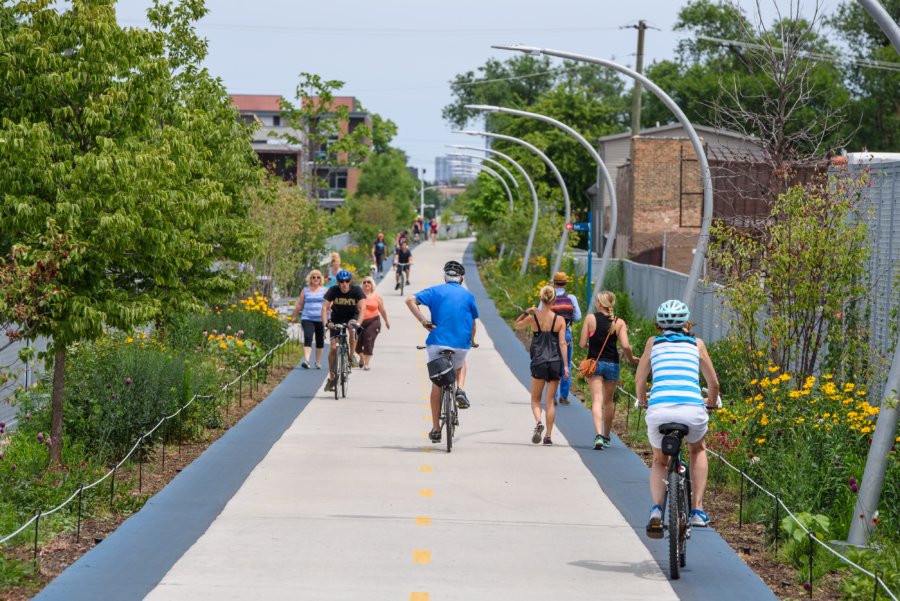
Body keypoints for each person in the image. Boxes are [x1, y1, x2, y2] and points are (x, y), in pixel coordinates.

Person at [635, 300, 719, 533]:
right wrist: (710, 404)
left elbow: (639, 381)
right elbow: (713, 383)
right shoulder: (697, 344)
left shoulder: (652, 343)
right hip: (692, 409)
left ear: (659, 325)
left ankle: (656, 510)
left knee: (660, 460)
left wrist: (643, 402)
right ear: (686, 322)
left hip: (659, 409)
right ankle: (697, 511)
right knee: (698, 449)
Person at [405, 260, 478, 444]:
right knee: (460, 365)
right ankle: (460, 390)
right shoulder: (469, 295)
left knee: (437, 383)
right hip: (461, 343)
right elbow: (473, 323)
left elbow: (410, 300)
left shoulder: (434, 291)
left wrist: (424, 322)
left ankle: (436, 429)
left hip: (437, 342)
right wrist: (472, 340)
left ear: (445, 277)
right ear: (461, 278)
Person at [579, 291, 637, 450]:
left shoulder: (590, 318)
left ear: (599, 302)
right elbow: (625, 346)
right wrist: (631, 359)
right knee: (609, 402)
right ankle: (606, 437)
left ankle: (597, 435)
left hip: (595, 363)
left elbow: (583, 343)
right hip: (612, 363)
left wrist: (592, 346)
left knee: (596, 400)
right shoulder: (619, 322)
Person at [516, 286, 568, 446]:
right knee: (550, 401)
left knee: (535, 399)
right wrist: (566, 366)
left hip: (539, 361)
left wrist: (526, 312)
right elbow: (563, 343)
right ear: (553, 300)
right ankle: (549, 436)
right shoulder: (560, 320)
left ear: (540, 299)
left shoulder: (534, 318)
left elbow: (517, 325)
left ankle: (539, 422)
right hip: (554, 362)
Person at [536, 272, 581, 404]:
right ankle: (564, 396)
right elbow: (577, 317)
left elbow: (540, 313)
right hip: (566, 333)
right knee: (566, 364)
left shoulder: (549, 296)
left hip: (550, 333)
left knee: (552, 363)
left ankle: (552, 397)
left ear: (554, 283)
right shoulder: (571, 298)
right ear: (565, 283)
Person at [321, 270, 367, 393]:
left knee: (352, 329)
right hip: (337, 317)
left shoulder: (356, 290)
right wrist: (326, 323)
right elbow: (324, 308)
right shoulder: (333, 290)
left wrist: (358, 324)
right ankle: (331, 378)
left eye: (347, 281)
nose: (344, 284)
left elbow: (363, 308)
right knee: (333, 349)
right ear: (338, 282)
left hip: (352, 316)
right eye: (341, 281)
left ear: (350, 281)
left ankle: (351, 355)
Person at [291, 269, 327, 369]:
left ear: (321, 279)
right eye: (313, 277)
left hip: (321, 319)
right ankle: (306, 360)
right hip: (308, 317)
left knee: (320, 340)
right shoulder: (305, 290)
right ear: (310, 279)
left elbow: (329, 305)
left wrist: (331, 318)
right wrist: (294, 316)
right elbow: (299, 304)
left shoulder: (325, 290)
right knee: (308, 337)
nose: (316, 279)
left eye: (318, 277)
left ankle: (317, 361)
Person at [358, 276, 389, 370]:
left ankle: (366, 364)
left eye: (369, 282)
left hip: (373, 321)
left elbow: (382, 310)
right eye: (364, 282)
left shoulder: (377, 297)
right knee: (356, 345)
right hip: (359, 321)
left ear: (372, 284)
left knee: (368, 341)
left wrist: (386, 321)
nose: (366, 284)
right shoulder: (358, 296)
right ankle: (362, 357)